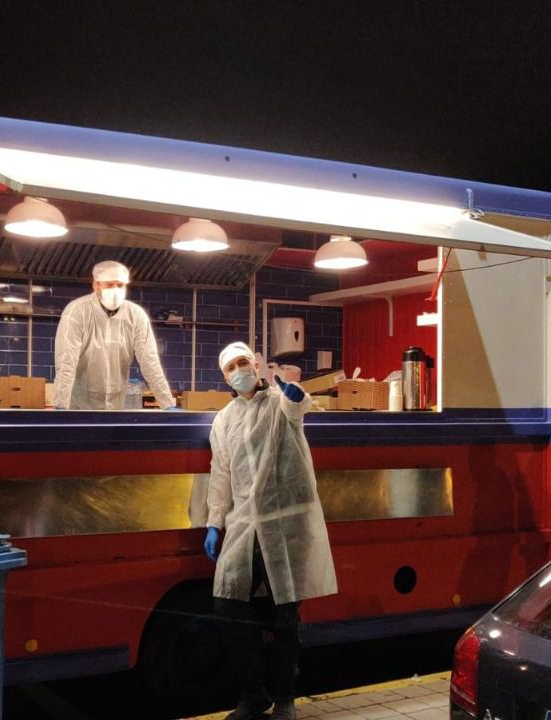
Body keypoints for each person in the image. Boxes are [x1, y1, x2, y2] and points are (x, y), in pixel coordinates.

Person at [203, 341, 337, 720]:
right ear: (225, 377)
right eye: (231, 367)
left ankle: (284, 699)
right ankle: (252, 696)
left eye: (244, 362)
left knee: (285, 618)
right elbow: (222, 474)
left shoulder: (280, 402)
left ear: (258, 364)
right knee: (229, 606)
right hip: (244, 524)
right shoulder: (224, 419)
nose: (240, 370)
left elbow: (299, 409)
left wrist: (297, 396)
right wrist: (215, 522)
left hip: (285, 523)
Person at [53, 260, 175, 410]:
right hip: (78, 406)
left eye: (120, 285)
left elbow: (150, 362)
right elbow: (66, 361)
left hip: (116, 405)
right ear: (96, 285)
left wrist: (168, 404)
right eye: (109, 285)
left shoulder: (135, 315)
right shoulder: (77, 312)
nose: (115, 290)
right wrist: (61, 406)